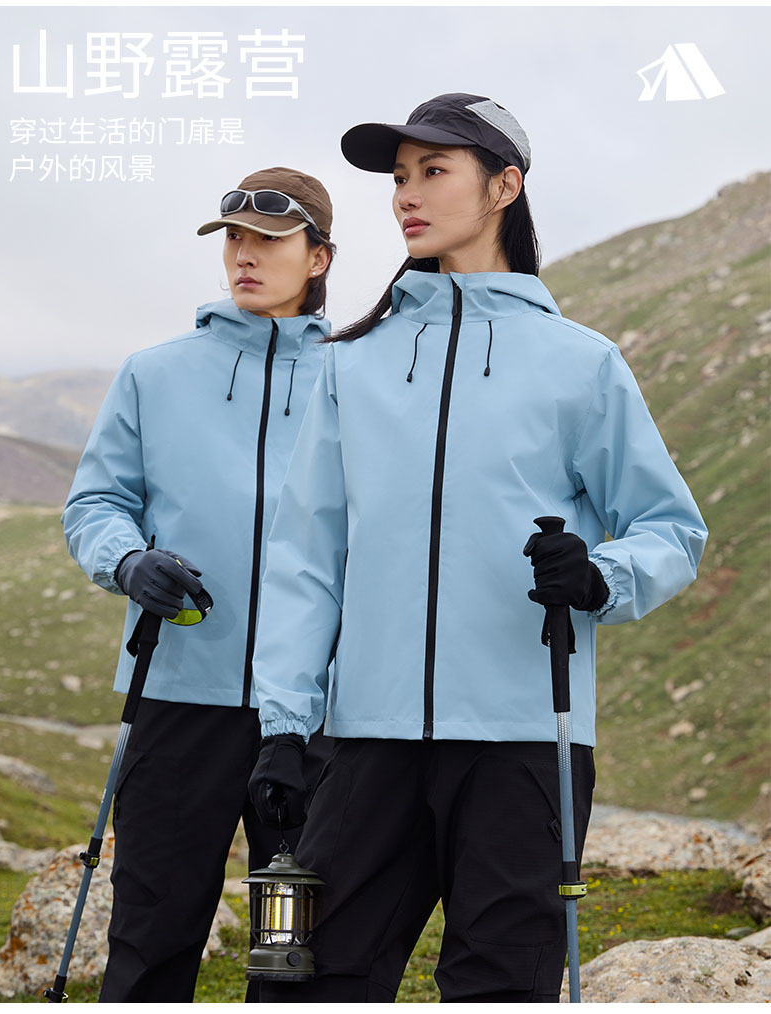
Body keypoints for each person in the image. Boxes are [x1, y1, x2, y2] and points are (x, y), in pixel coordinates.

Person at [248, 94, 708, 1003]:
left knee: (500, 987)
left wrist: (601, 575)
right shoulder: (351, 364)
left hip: (525, 743)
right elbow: (307, 557)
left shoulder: (580, 363)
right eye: (399, 178)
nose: (407, 196)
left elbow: (672, 529)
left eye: (434, 171)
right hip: (369, 740)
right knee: (304, 981)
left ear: (504, 186)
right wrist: (284, 725)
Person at [62, 167, 336, 1002]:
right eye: (235, 239)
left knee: (298, 949)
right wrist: (125, 559)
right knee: (152, 931)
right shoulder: (154, 373)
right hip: (179, 694)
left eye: (269, 241)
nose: (244, 255)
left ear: (318, 257)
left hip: (319, 708)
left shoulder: (357, 377)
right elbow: (96, 503)